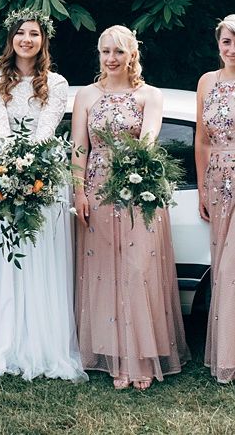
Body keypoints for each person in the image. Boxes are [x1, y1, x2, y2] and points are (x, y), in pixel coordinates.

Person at [0, 9, 86, 382]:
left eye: (34, 34)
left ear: (43, 40)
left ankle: (40, 344)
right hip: (1, 168)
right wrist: (11, 166)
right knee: (2, 253)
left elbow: (47, 129)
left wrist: (28, 165)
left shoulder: (58, 83)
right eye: (20, 33)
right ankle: (0, 340)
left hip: (43, 176)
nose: (26, 39)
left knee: (39, 255)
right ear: (11, 38)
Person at [71, 25, 189, 390]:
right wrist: (79, 193)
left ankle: (139, 358)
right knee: (105, 272)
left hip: (137, 192)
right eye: (105, 51)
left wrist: (134, 175)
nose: (110, 59)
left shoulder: (149, 95)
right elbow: (79, 149)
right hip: (96, 190)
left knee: (137, 271)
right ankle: (113, 357)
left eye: (118, 52)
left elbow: (149, 142)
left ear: (131, 55)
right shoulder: (86, 96)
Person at [196, 14, 235, 382]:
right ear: (218, 44)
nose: (232, 49)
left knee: (231, 268)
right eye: (227, 41)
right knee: (220, 265)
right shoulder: (208, 81)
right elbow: (202, 140)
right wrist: (202, 189)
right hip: (218, 179)